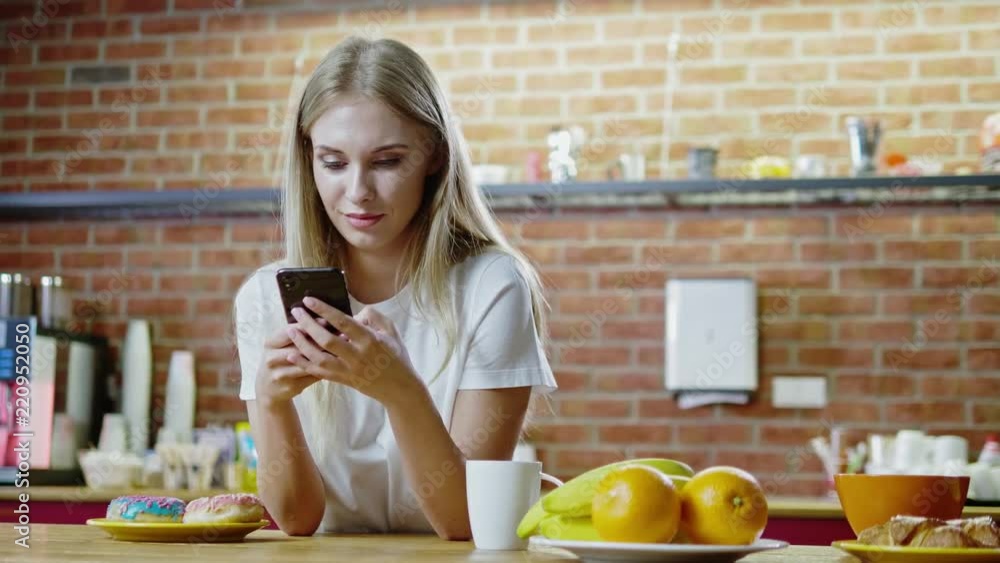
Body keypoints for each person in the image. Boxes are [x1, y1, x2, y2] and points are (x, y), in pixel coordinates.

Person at [232, 36, 557, 540]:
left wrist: (399, 391)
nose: (358, 190)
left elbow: (465, 521)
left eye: (386, 161)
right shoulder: (263, 297)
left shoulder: (492, 286)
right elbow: (297, 520)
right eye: (334, 163)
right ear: (308, 161)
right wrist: (271, 403)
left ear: (433, 156)